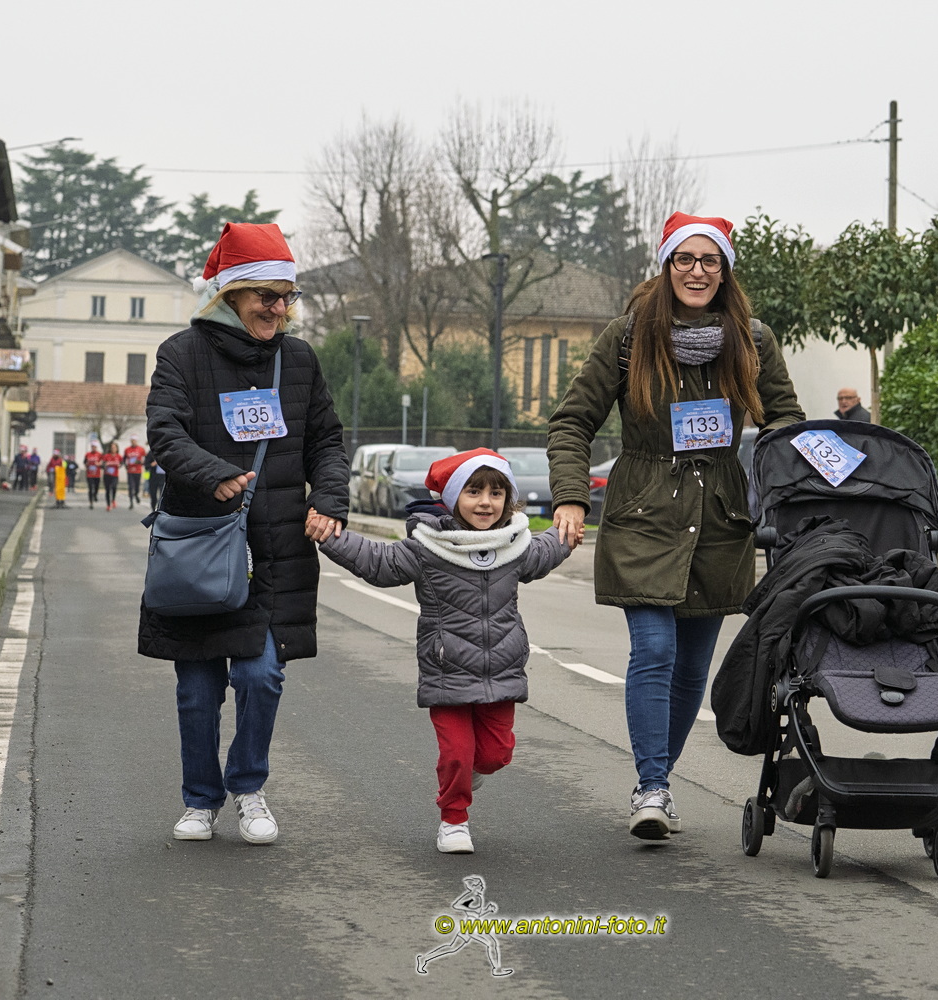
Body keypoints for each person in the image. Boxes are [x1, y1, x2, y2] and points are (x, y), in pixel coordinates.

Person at [548, 212, 805, 839]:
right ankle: (652, 786)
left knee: (692, 667)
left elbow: (785, 422)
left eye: (709, 260)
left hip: (719, 517)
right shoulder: (629, 336)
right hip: (644, 509)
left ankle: (658, 781)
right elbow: (572, 420)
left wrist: (810, 481)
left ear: (724, 271)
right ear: (667, 267)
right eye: (684, 259)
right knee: (656, 649)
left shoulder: (753, 340)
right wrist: (572, 497)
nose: (696, 271)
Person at [140, 221, 349, 846]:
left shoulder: (299, 360)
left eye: (287, 298)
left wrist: (330, 497)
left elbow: (326, 441)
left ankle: (248, 786)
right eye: (266, 297)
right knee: (198, 690)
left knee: (262, 676)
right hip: (203, 547)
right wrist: (215, 474)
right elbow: (165, 432)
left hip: (275, 549)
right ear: (231, 294)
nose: (279, 310)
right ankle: (200, 800)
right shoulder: (181, 354)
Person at [308, 449, 573, 854]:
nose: (485, 502)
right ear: (452, 497)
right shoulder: (428, 547)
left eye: (496, 493)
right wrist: (330, 536)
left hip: (501, 672)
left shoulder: (514, 544)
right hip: (447, 671)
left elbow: (546, 551)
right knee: (456, 753)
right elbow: (378, 562)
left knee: (496, 755)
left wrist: (569, 529)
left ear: (508, 499)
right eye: (473, 491)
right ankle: (453, 820)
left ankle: (469, 772)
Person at [123, 435, 147, 509]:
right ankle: (131, 503)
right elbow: (124, 459)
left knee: (137, 486)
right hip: (130, 471)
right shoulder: (127, 449)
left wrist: (141, 462)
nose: (133, 442)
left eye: (134, 440)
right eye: (132, 441)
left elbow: (145, 459)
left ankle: (136, 494)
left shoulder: (141, 449)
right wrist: (125, 465)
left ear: (136, 441)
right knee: (130, 487)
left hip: (138, 471)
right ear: (131, 441)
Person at [101, 441, 123, 510]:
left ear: (117, 448)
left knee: (114, 487)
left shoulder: (119, 456)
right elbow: (102, 465)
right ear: (110, 448)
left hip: (115, 475)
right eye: (112, 448)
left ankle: (113, 500)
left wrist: (119, 465)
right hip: (107, 475)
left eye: (114, 447)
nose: (113, 449)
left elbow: (121, 463)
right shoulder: (106, 456)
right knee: (107, 490)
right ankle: (108, 505)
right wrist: (105, 464)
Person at [82, 440, 104, 509]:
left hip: (97, 474)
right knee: (90, 488)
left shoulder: (99, 454)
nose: (93, 448)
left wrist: (99, 464)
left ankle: (95, 495)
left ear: (96, 447)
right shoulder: (87, 454)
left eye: (95, 447)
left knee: (96, 487)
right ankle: (91, 503)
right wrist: (87, 464)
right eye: (92, 446)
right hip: (89, 474)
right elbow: (84, 462)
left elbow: (102, 463)